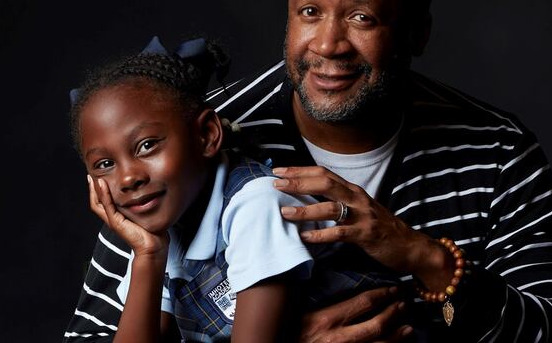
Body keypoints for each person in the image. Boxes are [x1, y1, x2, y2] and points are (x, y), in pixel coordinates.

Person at [65, 0, 552, 342]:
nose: (328, 45)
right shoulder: (191, 143)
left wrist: (422, 256)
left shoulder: (497, 152)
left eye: (363, 17)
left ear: (416, 34)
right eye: (310, 12)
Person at [68, 38, 393, 342]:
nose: (127, 178)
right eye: (104, 164)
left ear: (207, 135)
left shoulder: (257, 204)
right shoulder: (166, 233)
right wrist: (147, 255)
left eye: (147, 145)